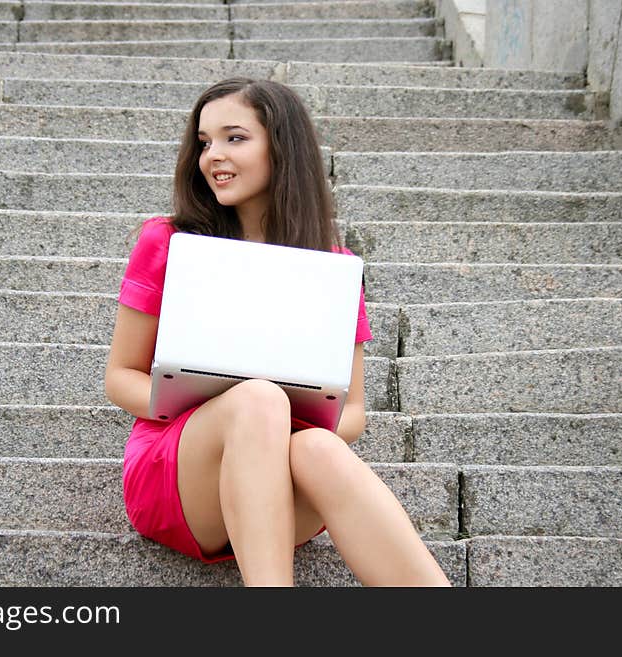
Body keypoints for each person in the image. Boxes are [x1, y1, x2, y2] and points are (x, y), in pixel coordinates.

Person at [104, 78, 451, 587]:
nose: (212, 156)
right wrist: (232, 403)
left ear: (281, 148)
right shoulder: (170, 241)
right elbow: (119, 376)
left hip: (278, 482)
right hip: (178, 471)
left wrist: (275, 429)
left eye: (234, 138)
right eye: (204, 142)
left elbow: (352, 412)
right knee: (258, 400)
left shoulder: (332, 267)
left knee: (319, 449)